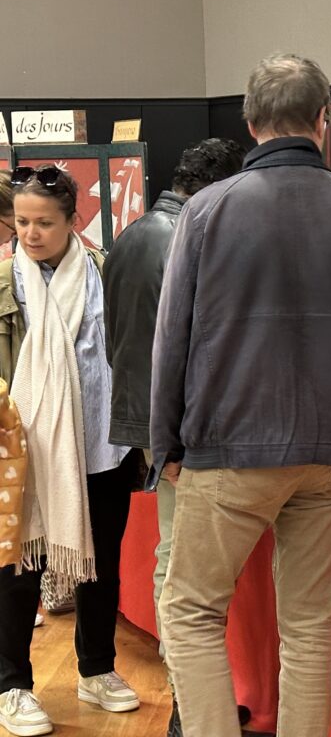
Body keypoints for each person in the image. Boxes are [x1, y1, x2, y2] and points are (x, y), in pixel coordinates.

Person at [150, 53, 331, 737]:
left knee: (191, 609)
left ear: (249, 122)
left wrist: (165, 444)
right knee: (309, 622)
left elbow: (170, 341)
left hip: (230, 447)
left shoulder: (207, 211)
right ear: (324, 121)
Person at [102, 138, 245, 737]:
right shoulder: (194, 238)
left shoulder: (130, 235)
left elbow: (114, 335)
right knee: (181, 563)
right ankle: (189, 702)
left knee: (174, 555)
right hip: (183, 428)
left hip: (144, 417)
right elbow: (193, 350)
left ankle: (191, 696)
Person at [0, 165, 139, 737]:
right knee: (17, 567)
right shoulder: (6, 282)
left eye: (45, 223)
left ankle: (96, 669)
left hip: (102, 444)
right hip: (23, 447)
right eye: (21, 222)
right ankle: (11, 685)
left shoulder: (106, 273)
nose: (30, 234)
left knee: (100, 563)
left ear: (73, 222)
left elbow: (126, 350)